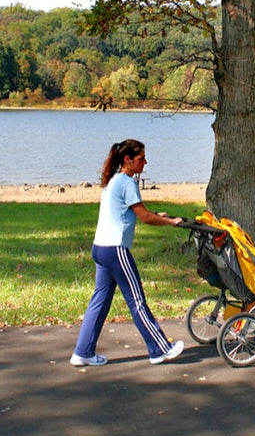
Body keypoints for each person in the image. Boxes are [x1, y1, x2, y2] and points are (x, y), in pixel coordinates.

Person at [70, 139, 186, 366]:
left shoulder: (116, 180)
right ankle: (160, 349)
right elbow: (143, 217)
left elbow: (133, 211)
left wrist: (158, 214)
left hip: (100, 248)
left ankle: (82, 352)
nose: (145, 162)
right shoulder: (127, 183)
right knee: (137, 301)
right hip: (115, 250)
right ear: (127, 160)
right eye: (141, 158)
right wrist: (172, 222)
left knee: (100, 301)